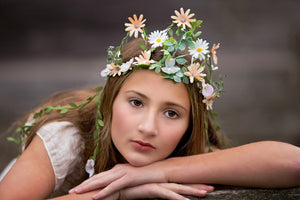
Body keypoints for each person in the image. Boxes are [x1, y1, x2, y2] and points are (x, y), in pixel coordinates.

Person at [0, 8, 299, 200]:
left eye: (171, 113)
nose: (148, 127)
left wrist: (159, 171)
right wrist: (117, 192)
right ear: (109, 102)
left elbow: (293, 163)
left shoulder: (182, 147)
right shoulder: (67, 139)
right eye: (135, 103)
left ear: (188, 126)